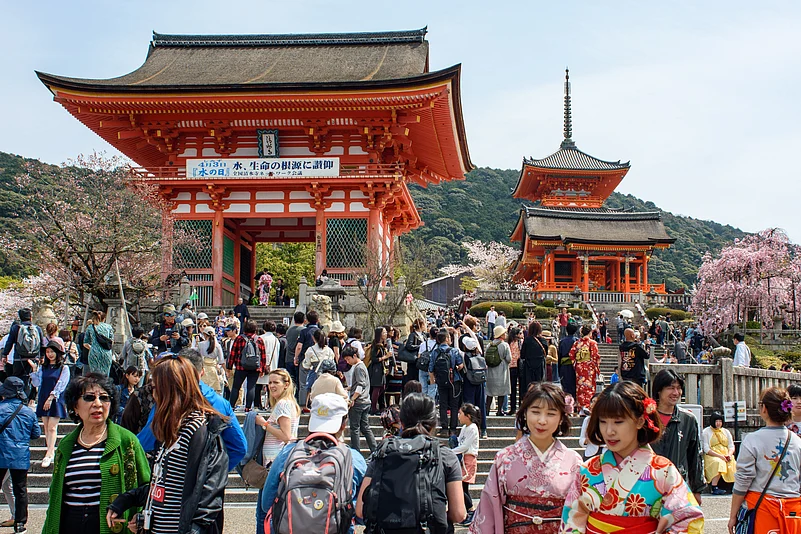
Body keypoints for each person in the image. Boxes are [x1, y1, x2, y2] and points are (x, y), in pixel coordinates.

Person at [561, 381, 704, 533]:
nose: (609, 431)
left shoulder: (663, 471)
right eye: (603, 422)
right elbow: (571, 522)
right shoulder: (587, 470)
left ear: (639, 421)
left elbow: (688, 519)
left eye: (618, 422)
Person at [108, 356, 228, 533]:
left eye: (155, 388)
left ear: (171, 389)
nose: (153, 394)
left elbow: (207, 498)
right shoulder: (172, 430)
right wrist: (128, 501)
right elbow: (164, 486)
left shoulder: (198, 430)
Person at [42, 373, 150, 534]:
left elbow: (147, 487)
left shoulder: (127, 441)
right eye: (89, 398)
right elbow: (56, 496)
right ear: (75, 407)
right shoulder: (66, 445)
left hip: (108, 526)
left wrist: (139, 517)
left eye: (104, 398)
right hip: (70, 524)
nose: (98, 404)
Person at [471, 382, 582, 533]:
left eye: (551, 413)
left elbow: (579, 515)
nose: (542, 421)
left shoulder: (574, 461)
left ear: (561, 418)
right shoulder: (505, 459)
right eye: (535, 412)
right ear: (525, 413)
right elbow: (488, 510)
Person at [357, 393, 466, 532]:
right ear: (434, 423)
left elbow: (360, 510)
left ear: (401, 422)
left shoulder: (384, 451)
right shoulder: (445, 455)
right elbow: (459, 514)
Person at [262, 393, 367, 534]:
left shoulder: (288, 452)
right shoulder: (353, 458)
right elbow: (364, 511)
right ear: (344, 424)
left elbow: (266, 502)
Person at [136, 349, 247, 475]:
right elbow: (239, 447)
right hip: (205, 482)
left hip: (172, 478)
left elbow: (146, 440)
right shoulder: (220, 403)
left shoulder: (171, 400)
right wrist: (213, 475)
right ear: (202, 372)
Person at [728, 386, 801, 534]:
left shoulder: (752, 440)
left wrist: (733, 514)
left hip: (763, 509)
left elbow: (743, 480)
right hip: (793, 511)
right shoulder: (797, 441)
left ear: (764, 409)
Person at [254, 369, 301, 531]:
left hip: (275, 463)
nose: (271, 386)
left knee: (263, 512)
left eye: (276, 382)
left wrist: (264, 424)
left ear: (286, 384)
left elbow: (286, 435)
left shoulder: (283, 405)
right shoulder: (289, 404)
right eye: (270, 382)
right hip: (280, 461)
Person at [651, 369, 706, 501]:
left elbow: (695, 457)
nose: (676, 393)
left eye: (679, 388)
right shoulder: (646, 418)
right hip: (649, 484)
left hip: (678, 484)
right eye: (671, 388)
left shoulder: (688, 419)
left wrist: (697, 489)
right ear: (659, 390)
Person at [0, 378, 40, 534]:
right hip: (20, 455)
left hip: (1, 452)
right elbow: (36, 434)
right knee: (20, 490)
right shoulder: (28, 412)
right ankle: (20, 524)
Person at [29, 338, 70, 467]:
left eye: (52, 352)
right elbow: (36, 383)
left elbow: (61, 384)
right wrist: (34, 370)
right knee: (46, 427)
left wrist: (51, 397)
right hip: (43, 396)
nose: (50, 354)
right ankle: (50, 450)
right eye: (47, 352)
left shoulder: (64, 368)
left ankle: (49, 453)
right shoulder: (44, 367)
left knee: (52, 426)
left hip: (55, 399)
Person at [428, 328, 464, 436]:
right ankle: (453, 429)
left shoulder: (435, 352)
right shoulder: (454, 351)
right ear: (447, 338)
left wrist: (433, 380)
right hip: (454, 381)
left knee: (443, 405)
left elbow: (430, 368)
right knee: (454, 405)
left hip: (441, 381)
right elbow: (460, 365)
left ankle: (444, 429)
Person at [342, 346, 377, 453]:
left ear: (354, 356)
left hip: (359, 402)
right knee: (365, 427)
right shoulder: (361, 366)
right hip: (366, 401)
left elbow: (360, 385)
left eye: (348, 359)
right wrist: (349, 388)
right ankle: (374, 450)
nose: (347, 362)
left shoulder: (358, 368)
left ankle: (356, 452)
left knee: (355, 429)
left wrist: (352, 399)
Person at [2, 309, 44, 395]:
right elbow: (42, 344)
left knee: (17, 380)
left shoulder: (16, 328)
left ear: (20, 317)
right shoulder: (37, 329)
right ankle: (28, 399)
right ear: (31, 317)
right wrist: (42, 356)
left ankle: (19, 399)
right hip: (34, 358)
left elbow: (9, 342)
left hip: (19, 358)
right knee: (32, 379)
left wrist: (4, 355)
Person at [227, 320, 267, 411]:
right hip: (255, 367)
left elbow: (232, 353)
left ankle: (231, 406)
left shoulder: (240, 338)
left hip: (241, 366)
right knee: (251, 387)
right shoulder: (259, 339)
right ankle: (248, 407)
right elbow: (263, 355)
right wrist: (262, 369)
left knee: (236, 387)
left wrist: (229, 367)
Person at [452, 403, 480, 526]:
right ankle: (466, 512)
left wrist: (450, 451)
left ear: (467, 416)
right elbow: (459, 443)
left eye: (460, 413)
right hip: (462, 459)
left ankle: (471, 510)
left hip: (468, 459)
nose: (458, 416)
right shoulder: (464, 428)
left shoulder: (473, 428)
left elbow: (465, 446)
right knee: (462, 487)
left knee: (463, 487)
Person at [702, 410, 736, 495]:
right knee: (719, 463)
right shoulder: (706, 432)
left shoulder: (726, 431)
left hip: (726, 454)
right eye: (716, 421)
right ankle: (714, 486)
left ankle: (733, 486)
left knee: (733, 463)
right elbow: (706, 448)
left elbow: (731, 446)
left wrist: (729, 454)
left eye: (720, 421)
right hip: (712, 455)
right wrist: (720, 456)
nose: (718, 423)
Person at [568, 325, 601, 410]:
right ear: (590, 332)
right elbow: (595, 356)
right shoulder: (592, 343)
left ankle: (581, 407)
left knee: (580, 387)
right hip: (589, 367)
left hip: (579, 367)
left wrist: (576, 364)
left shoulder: (577, 343)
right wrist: (596, 368)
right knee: (589, 387)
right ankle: (588, 407)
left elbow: (571, 354)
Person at [295, 310, 321, 407]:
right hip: (319, 360)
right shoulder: (320, 332)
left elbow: (299, 346)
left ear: (307, 320)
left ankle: (303, 404)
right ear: (318, 320)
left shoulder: (304, 331)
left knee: (303, 383)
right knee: (316, 382)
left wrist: (296, 357)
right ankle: (314, 403)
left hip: (305, 359)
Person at [365, 327, 391, 415]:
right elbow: (374, 359)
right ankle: (373, 408)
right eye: (384, 332)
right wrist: (385, 357)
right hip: (376, 369)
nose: (386, 334)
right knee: (376, 388)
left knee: (382, 387)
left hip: (381, 369)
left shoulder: (382, 345)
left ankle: (379, 406)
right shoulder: (376, 346)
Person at [486, 326, 511, 417]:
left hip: (491, 372)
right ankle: (499, 410)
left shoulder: (490, 344)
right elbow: (509, 358)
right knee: (502, 392)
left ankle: (487, 410)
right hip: (502, 371)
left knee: (490, 393)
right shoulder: (505, 345)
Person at [303, 328, 336, 398]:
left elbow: (306, 365)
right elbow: (332, 364)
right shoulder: (329, 350)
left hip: (315, 375)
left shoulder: (310, 350)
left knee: (311, 391)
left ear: (313, 338)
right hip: (328, 376)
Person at [521, 320, 547, 392]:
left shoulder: (527, 340)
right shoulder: (543, 341)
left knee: (529, 387)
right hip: (540, 366)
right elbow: (546, 354)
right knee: (540, 387)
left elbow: (522, 355)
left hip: (528, 366)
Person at [199, 326, 225, 394]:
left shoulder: (200, 344)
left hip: (203, 370)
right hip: (213, 369)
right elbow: (221, 361)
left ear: (205, 334)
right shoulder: (218, 345)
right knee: (213, 391)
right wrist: (226, 371)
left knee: (203, 391)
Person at [284, 311, 305, 396]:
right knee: (299, 382)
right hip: (299, 359)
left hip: (288, 358)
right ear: (304, 320)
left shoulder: (289, 330)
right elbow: (300, 346)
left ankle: (290, 397)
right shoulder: (303, 331)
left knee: (291, 382)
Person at [558, 322, 579, 399]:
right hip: (575, 366)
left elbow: (559, 356)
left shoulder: (562, 341)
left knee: (566, 388)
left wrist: (559, 369)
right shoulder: (577, 341)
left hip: (564, 366)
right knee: (574, 387)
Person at [578, 393, 601, 460]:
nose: (593, 404)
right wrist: (587, 440)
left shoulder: (608, 420)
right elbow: (581, 441)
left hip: (606, 454)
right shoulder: (587, 420)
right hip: (590, 453)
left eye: (596, 402)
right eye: (592, 401)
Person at [418, 326, 439, 399]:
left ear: (429, 334)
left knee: (423, 387)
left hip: (423, 367)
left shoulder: (423, 344)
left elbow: (419, 356)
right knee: (433, 387)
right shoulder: (438, 345)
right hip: (433, 368)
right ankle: (430, 404)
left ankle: (423, 404)